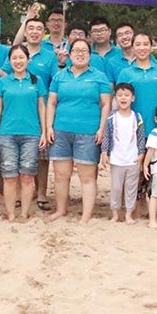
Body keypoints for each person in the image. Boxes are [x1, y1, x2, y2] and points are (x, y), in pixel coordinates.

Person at [46, 39, 112, 223]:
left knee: (87, 176)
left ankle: (86, 215)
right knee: (61, 175)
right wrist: (49, 126)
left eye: (84, 50)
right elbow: (51, 102)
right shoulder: (60, 76)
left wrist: (102, 128)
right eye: (76, 50)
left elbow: (106, 104)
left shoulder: (99, 77)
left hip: (88, 132)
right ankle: (61, 210)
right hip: (61, 130)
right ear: (70, 53)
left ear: (90, 55)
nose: (80, 54)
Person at [0, 15, 58, 212]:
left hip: (38, 117)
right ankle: (16, 200)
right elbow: (3, 77)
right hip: (13, 119)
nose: (34, 32)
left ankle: (39, 195)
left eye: (38, 28)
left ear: (44, 32)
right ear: (25, 31)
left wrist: (46, 124)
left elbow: (53, 85)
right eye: (30, 28)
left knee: (38, 161)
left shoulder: (49, 57)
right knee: (12, 165)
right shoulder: (14, 59)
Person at [0, 44, 47, 221]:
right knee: (9, 175)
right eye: (14, 58)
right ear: (9, 61)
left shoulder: (36, 80)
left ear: (28, 59)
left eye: (21, 57)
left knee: (27, 175)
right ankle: (10, 214)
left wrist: (44, 131)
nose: (18, 61)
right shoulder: (3, 82)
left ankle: (24, 213)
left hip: (31, 134)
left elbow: (42, 107)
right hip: (7, 134)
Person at [100, 82, 145, 224]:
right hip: (116, 159)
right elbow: (107, 136)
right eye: (119, 95)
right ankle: (115, 214)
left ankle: (128, 214)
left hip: (133, 159)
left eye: (127, 95)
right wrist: (104, 152)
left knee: (131, 188)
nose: (123, 98)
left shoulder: (137, 117)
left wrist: (141, 153)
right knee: (116, 188)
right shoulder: (111, 117)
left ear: (133, 98)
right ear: (115, 98)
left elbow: (140, 136)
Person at [116, 33, 157, 136]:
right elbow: (118, 100)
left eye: (146, 44)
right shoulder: (125, 73)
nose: (142, 48)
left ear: (151, 47)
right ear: (133, 48)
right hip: (132, 129)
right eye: (138, 44)